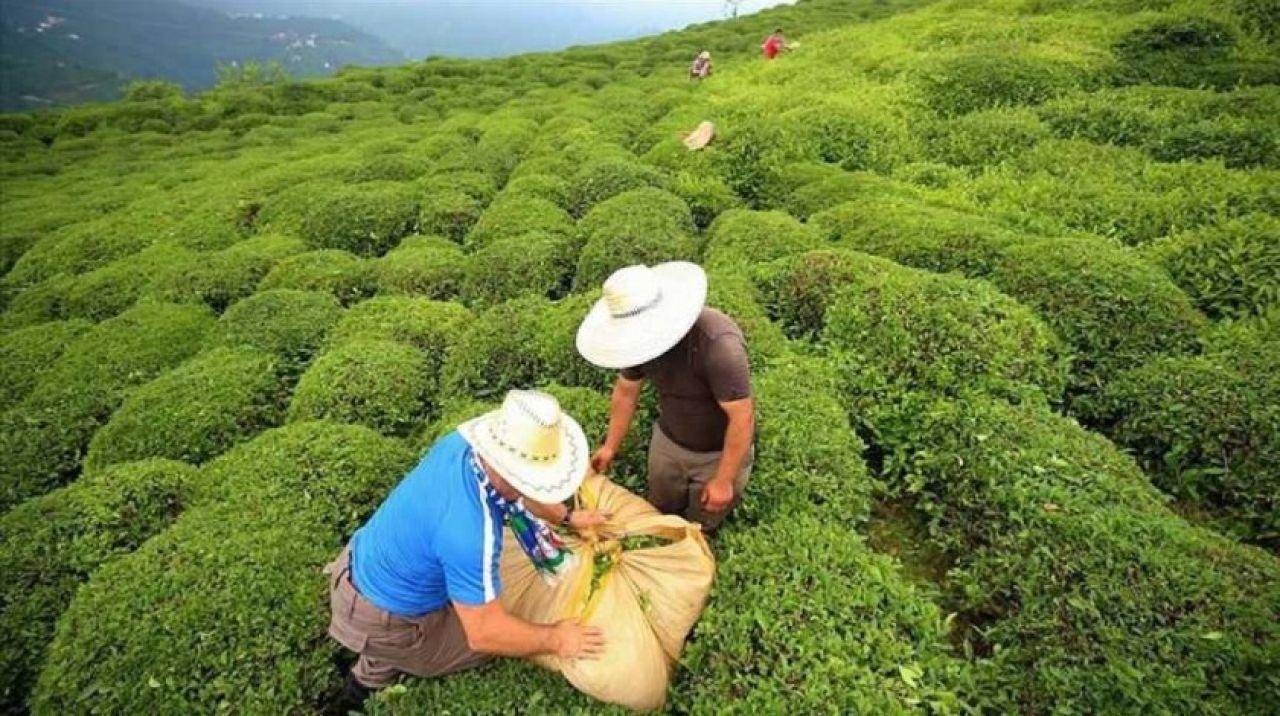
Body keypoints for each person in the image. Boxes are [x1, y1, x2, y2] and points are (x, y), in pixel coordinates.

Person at [324, 389, 610, 712]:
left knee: (468, 590)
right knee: (512, 629)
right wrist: (556, 639)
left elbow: (521, 489)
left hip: (364, 562)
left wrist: (568, 517)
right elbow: (485, 633)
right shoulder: (471, 531)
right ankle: (369, 676)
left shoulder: (462, 447)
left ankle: (375, 665)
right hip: (384, 615)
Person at [575, 262, 754, 535]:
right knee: (658, 511)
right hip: (668, 441)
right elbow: (625, 391)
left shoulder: (719, 346)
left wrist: (723, 480)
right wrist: (610, 446)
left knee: (699, 525)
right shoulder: (637, 343)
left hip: (716, 453)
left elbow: (742, 417)